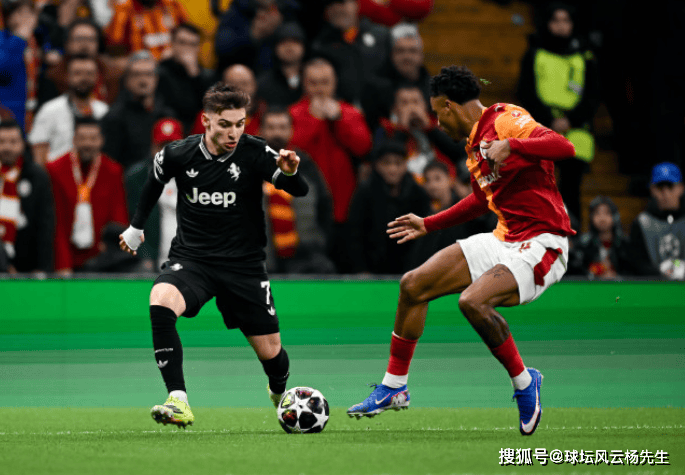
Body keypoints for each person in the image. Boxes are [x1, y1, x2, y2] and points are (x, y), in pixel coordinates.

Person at [347, 65, 576, 436]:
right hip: (504, 237)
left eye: (438, 113)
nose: (437, 122)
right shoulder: (474, 145)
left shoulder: (506, 120)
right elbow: (480, 200)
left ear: (449, 106)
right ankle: (394, 387)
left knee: (472, 302)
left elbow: (564, 147)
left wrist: (513, 145)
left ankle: (524, 382)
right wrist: (429, 223)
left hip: (543, 242)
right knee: (413, 285)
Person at [118, 83, 310, 428]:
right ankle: (178, 399)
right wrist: (136, 227)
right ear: (206, 121)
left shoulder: (255, 152)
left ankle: (279, 391)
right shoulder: (179, 153)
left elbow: (299, 189)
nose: (233, 132)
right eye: (225, 124)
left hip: (244, 266)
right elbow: (153, 182)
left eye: (240, 124)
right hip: (194, 260)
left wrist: (290, 172)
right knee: (160, 300)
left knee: (273, 356)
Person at [517, 2, 600, 221]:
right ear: (547, 23)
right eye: (556, 20)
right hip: (541, 129)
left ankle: (572, 235)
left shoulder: (584, 56)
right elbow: (526, 92)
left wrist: (570, 119)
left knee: (571, 189)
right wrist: (549, 119)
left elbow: (592, 95)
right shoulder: (534, 53)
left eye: (566, 20)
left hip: (576, 132)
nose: (561, 26)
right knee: (541, 188)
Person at [289, 57, 372, 272]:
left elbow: (363, 146)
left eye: (325, 82)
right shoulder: (293, 114)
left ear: (334, 83)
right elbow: (291, 149)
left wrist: (338, 119)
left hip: (344, 204)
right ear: (304, 84)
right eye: (313, 83)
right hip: (306, 206)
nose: (319, 89)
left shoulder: (349, 112)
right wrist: (315, 120)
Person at [47, 116, 128, 275]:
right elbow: (56, 222)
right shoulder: (55, 170)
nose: (87, 144)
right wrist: (63, 264)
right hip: (65, 259)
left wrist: (112, 257)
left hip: (102, 261)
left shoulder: (113, 171)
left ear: (101, 140)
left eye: (93, 139)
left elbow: (119, 217)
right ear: (74, 140)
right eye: (82, 138)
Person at [260, 107, 335, 274]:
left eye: (282, 127)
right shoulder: (249, 165)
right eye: (271, 127)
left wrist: (320, 241)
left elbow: (324, 205)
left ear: (291, 131)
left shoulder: (306, 165)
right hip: (261, 258)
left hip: (306, 258)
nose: (277, 133)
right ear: (261, 131)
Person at [347, 138, 431, 274]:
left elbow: (423, 239)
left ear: (405, 165)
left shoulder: (418, 195)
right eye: (387, 163)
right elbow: (354, 234)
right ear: (377, 165)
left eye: (398, 163)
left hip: (410, 270)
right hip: (370, 272)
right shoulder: (365, 193)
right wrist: (361, 269)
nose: (392, 169)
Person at [101, 50, 177, 170]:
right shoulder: (114, 117)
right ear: (127, 80)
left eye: (148, 74)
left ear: (156, 78)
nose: (143, 80)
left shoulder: (167, 115)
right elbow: (110, 163)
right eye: (137, 74)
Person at [126, 117, 184, 270]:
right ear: (153, 148)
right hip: (151, 261)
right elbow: (132, 219)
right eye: (162, 146)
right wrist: (145, 255)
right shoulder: (137, 178)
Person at [29, 54, 109, 164]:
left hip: (94, 172)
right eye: (77, 73)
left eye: (89, 74)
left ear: (97, 77)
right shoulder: (50, 110)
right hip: (56, 172)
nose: (84, 78)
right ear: (68, 77)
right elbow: (39, 153)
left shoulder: (105, 111)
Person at [311, 0, 390, 109]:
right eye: (330, 4)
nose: (337, 8)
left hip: (383, 109)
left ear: (356, 5)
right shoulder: (321, 45)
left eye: (342, 2)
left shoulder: (382, 36)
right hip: (342, 112)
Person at [0, 120, 54, 275]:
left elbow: (45, 226)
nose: (7, 147)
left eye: (13, 142)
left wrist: (43, 268)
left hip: (28, 267)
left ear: (23, 144)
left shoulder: (38, 177)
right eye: (2, 142)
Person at [39, 18, 122, 106]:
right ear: (67, 43)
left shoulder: (113, 74)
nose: (84, 44)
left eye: (91, 39)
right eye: (79, 39)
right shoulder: (53, 76)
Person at [629, 162, 685, 280]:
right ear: (652, 189)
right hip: (653, 287)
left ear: (681, 188)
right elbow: (636, 263)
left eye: (670, 186)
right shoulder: (641, 223)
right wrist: (660, 271)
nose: (665, 193)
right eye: (660, 187)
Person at [157, 23, 214, 133]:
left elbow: (209, 108)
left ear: (198, 48)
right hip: (169, 128)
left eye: (192, 44)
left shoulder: (207, 76)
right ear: (172, 44)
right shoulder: (160, 72)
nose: (186, 49)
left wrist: (194, 75)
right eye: (182, 43)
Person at [567, 196, 631, 279]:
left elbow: (634, 272)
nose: (602, 218)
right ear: (591, 217)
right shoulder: (583, 244)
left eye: (607, 213)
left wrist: (616, 276)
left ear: (615, 216)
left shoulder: (625, 244)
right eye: (597, 213)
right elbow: (577, 272)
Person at [105, 0, 189, 60]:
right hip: (141, 70)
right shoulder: (124, 10)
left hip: (174, 65)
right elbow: (114, 48)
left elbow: (188, 36)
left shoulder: (172, 5)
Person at [256, 22, 306, 109]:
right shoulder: (263, 83)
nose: (289, 46)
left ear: (304, 47)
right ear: (275, 48)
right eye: (283, 42)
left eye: (295, 41)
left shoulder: (314, 80)